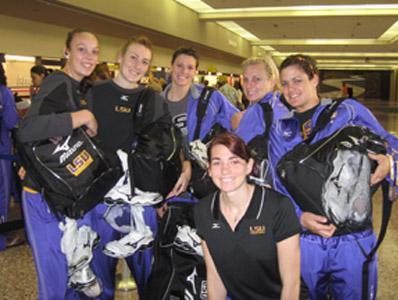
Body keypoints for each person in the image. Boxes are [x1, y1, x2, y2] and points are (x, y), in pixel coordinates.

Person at [270, 54, 398, 299]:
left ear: (315, 79)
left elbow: (391, 143)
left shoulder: (347, 110)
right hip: (306, 238)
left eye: (297, 80)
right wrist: (299, 218)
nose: (291, 89)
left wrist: (389, 164)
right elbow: (277, 182)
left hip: (352, 236)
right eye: (285, 83)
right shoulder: (280, 126)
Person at [18, 28, 103, 299]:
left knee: (72, 272)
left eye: (94, 51)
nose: (88, 56)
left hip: (62, 194)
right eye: (81, 49)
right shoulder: (58, 81)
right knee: (54, 277)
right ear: (66, 51)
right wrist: (84, 116)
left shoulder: (77, 88)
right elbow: (28, 129)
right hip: (43, 198)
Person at [90, 36, 173, 298]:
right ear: (120, 57)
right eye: (133, 57)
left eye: (145, 61)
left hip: (141, 198)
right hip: (101, 199)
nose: (138, 65)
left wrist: (180, 171)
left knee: (149, 276)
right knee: (98, 276)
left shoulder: (153, 99)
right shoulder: (94, 93)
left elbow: (169, 143)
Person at [194, 132, 301, 299]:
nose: (225, 170)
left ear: (249, 166)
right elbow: (215, 277)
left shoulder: (277, 207)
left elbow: (291, 283)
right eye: (217, 163)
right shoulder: (203, 211)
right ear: (209, 169)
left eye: (234, 161)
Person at [161, 46, 238, 198]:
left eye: (190, 67)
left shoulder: (210, 98)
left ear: (195, 71)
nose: (184, 71)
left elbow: (237, 120)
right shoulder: (157, 103)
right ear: (171, 67)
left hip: (205, 177)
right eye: (179, 66)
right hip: (170, 176)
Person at [232, 56, 289, 186]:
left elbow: (234, 152)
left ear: (272, 81)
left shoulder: (258, 110)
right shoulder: (280, 104)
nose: (249, 85)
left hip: (265, 187)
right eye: (245, 79)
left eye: (256, 79)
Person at [0, 63, 19, 251]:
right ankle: (1, 238)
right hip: (2, 153)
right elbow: (11, 121)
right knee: (1, 194)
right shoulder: (3, 92)